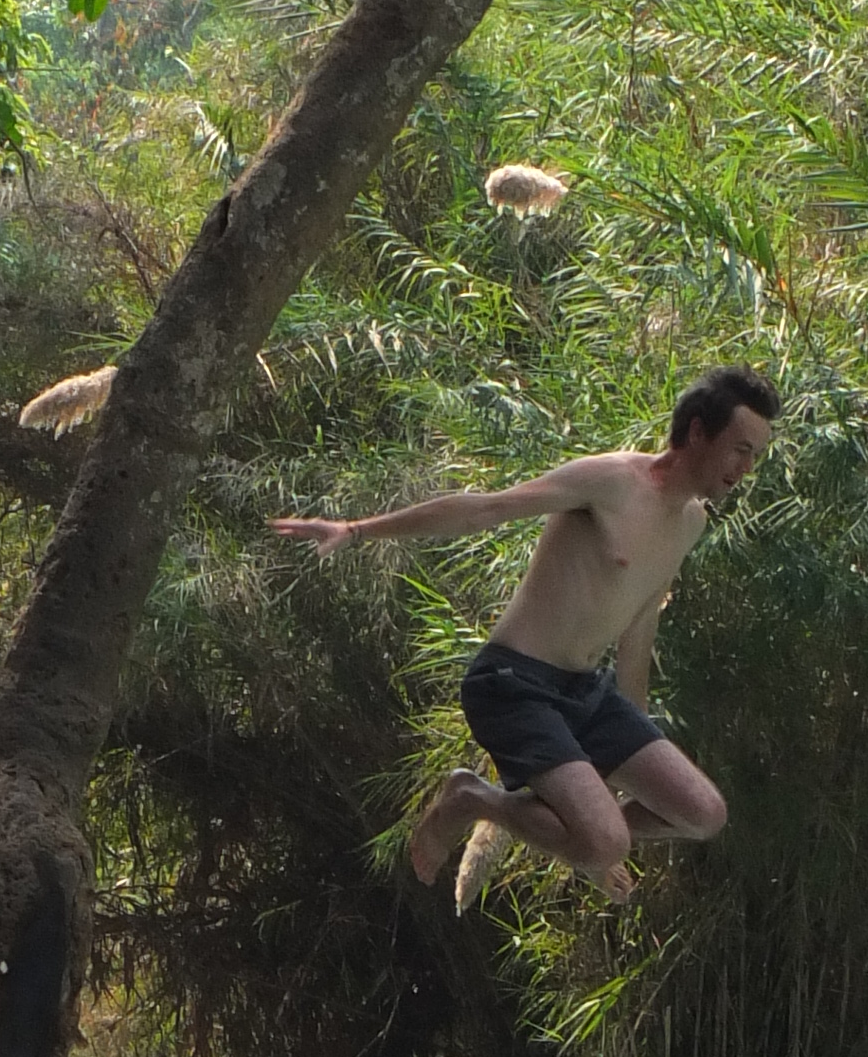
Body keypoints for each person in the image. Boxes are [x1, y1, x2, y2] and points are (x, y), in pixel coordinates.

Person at [268, 366, 777, 901]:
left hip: (586, 692)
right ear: (697, 432)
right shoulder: (610, 481)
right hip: (513, 684)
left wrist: (628, 748)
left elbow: (639, 631)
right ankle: (475, 798)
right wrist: (355, 530)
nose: (745, 469)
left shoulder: (691, 522)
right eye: (740, 450)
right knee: (607, 841)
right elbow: (484, 510)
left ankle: (589, 838)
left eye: (755, 457)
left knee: (702, 813)